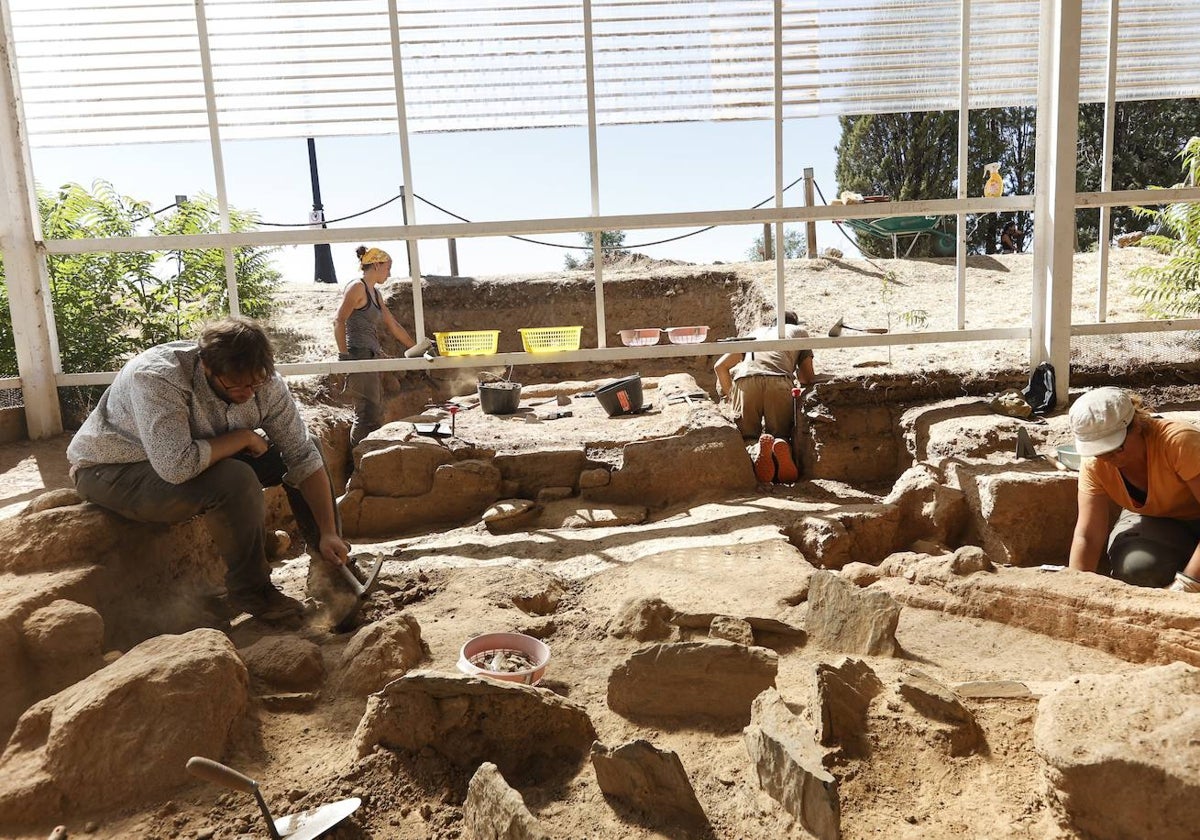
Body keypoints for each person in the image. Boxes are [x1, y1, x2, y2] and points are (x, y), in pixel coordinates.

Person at [67, 316, 351, 621]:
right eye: (236, 385)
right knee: (235, 479)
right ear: (207, 367)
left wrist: (328, 532)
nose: (248, 393)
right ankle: (252, 591)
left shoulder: (263, 382)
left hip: (188, 454)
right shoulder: (158, 377)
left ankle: (330, 565)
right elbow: (177, 466)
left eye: (255, 383)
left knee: (307, 448)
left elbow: (302, 456)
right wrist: (243, 437)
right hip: (114, 469)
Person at [1068, 386, 1200, 593]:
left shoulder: (1179, 442)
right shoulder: (1094, 464)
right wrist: (1075, 588)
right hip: (1158, 523)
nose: (1109, 458)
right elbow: (1089, 535)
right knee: (1137, 567)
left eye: (1117, 447)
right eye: (1100, 452)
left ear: (1136, 425)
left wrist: (1189, 583)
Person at [714, 310, 816, 484]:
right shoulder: (799, 332)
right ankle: (780, 445)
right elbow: (807, 377)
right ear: (794, 323)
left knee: (747, 436)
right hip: (779, 381)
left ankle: (756, 451)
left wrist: (732, 394)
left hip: (745, 381)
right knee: (782, 433)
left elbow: (720, 366)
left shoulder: (755, 333)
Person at [333, 246, 417, 447]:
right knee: (366, 414)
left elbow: (393, 325)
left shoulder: (375, 294)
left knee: (374, 410)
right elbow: (338, 320)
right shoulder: (357, 287)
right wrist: (344, 357)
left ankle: (366, 458)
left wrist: (417, 348)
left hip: (370, 356)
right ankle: (358, 465)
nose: (390, 273)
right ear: (377, 265)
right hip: (358, 355)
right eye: (388, 268)